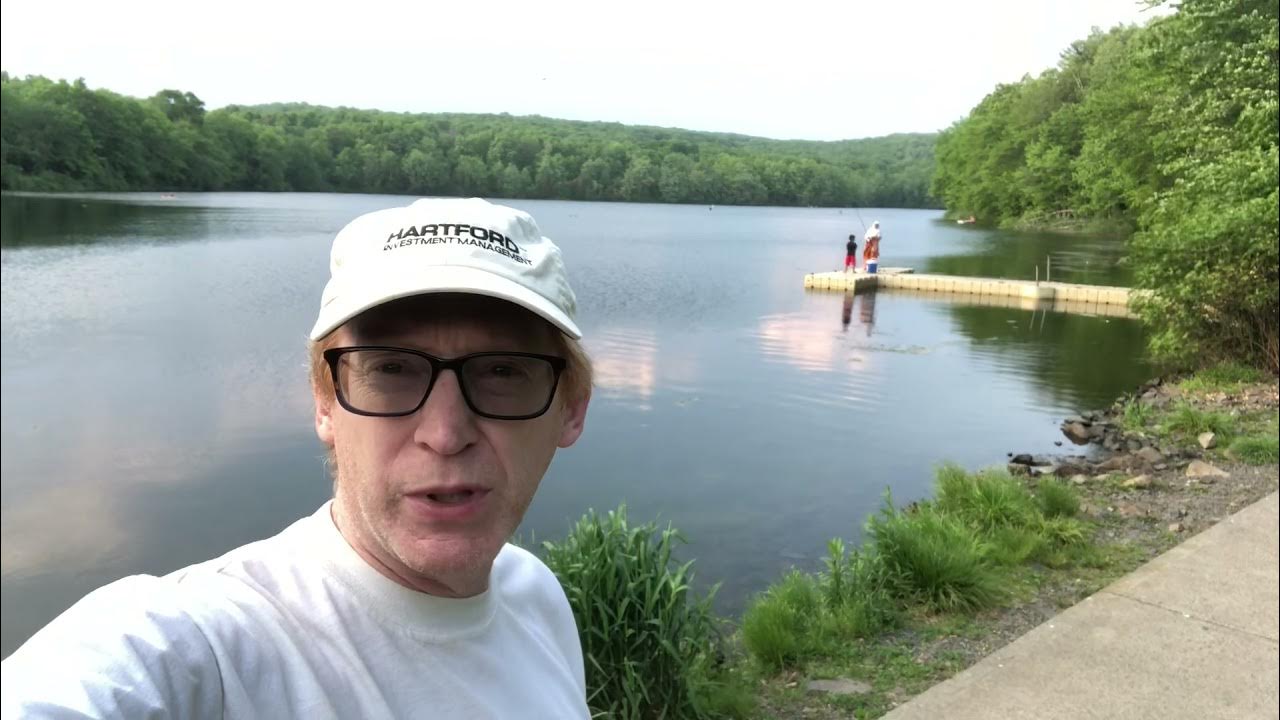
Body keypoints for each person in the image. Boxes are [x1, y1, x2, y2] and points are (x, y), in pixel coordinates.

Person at [0, 197, 595, 719]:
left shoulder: (533, 595)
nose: (444, 434)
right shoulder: (201, 647)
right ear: (325, 404)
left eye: (502, 372)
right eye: (390, 369)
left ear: (572, 409)